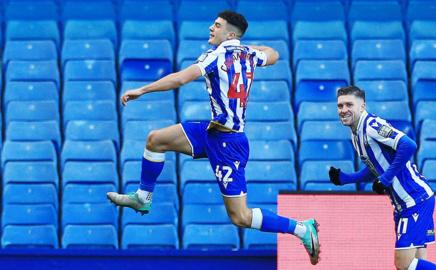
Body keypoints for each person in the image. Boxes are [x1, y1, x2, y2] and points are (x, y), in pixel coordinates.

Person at [107, 10, 320, 264]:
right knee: (156, 139)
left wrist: (142, 89)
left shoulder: (215, 56)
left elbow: (181, 78)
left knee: (240, 217)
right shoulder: (249, 55)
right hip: (211, 131)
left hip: (229, 144)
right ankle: (143, 198)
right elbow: (274, 54)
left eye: (217, 25)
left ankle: (301, 228)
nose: (211, 28)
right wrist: (244, 47)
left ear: (229, 33)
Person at [329, 86, 436, 270]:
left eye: (349, 104)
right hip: (404, 204)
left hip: (414, 199)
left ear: (362, 106)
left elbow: (408, 145)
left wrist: (387, 178)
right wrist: (346, 179)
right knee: (416, 265)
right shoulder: (355, 134)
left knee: (403, 264)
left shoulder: (372, 126)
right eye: (340, 105)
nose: (343, 110)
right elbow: (375, 168)